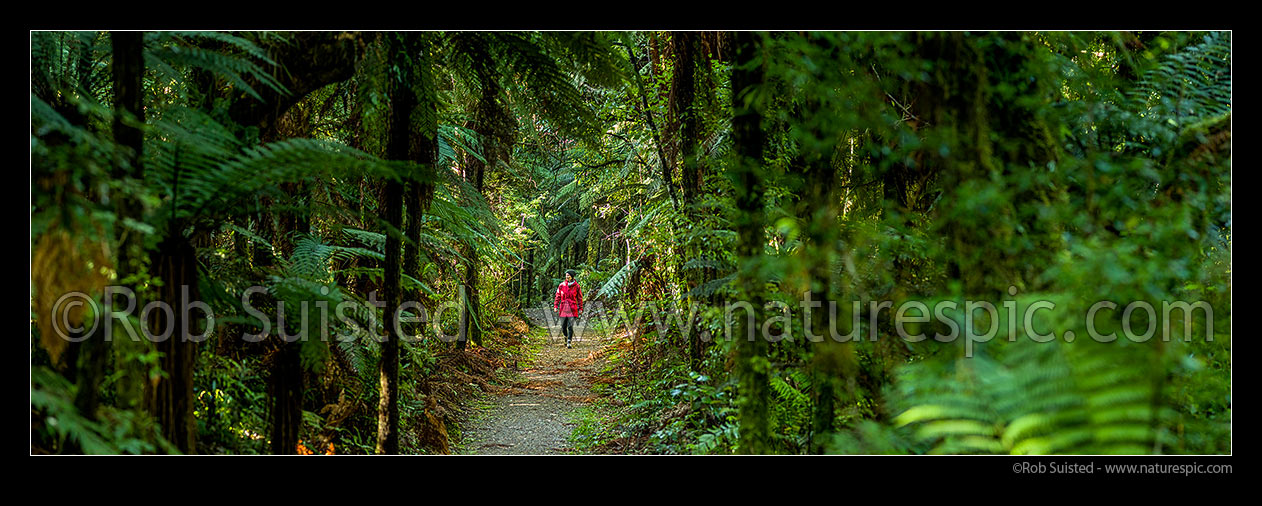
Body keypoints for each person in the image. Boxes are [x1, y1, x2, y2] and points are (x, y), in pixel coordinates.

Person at [554, 269, 583, 348]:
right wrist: (555, 306)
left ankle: (569, 341)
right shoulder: (562, 285)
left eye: (568, 275)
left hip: (572, 308)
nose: (567, 277)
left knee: (570, 326)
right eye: (566, 275)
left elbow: (580, 298)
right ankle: (565, 337)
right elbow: (558, 296)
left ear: (572, 277)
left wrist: (580, 308)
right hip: (563, 308)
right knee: (563, 326)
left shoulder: (577, 287)